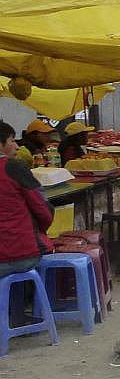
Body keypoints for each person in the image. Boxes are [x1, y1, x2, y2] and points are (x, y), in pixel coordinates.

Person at [1, 120, 54, 280]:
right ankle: (29, 301)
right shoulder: (14, 167)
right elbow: (43, 210)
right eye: (11, 140)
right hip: (20, 256)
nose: (17, 146)